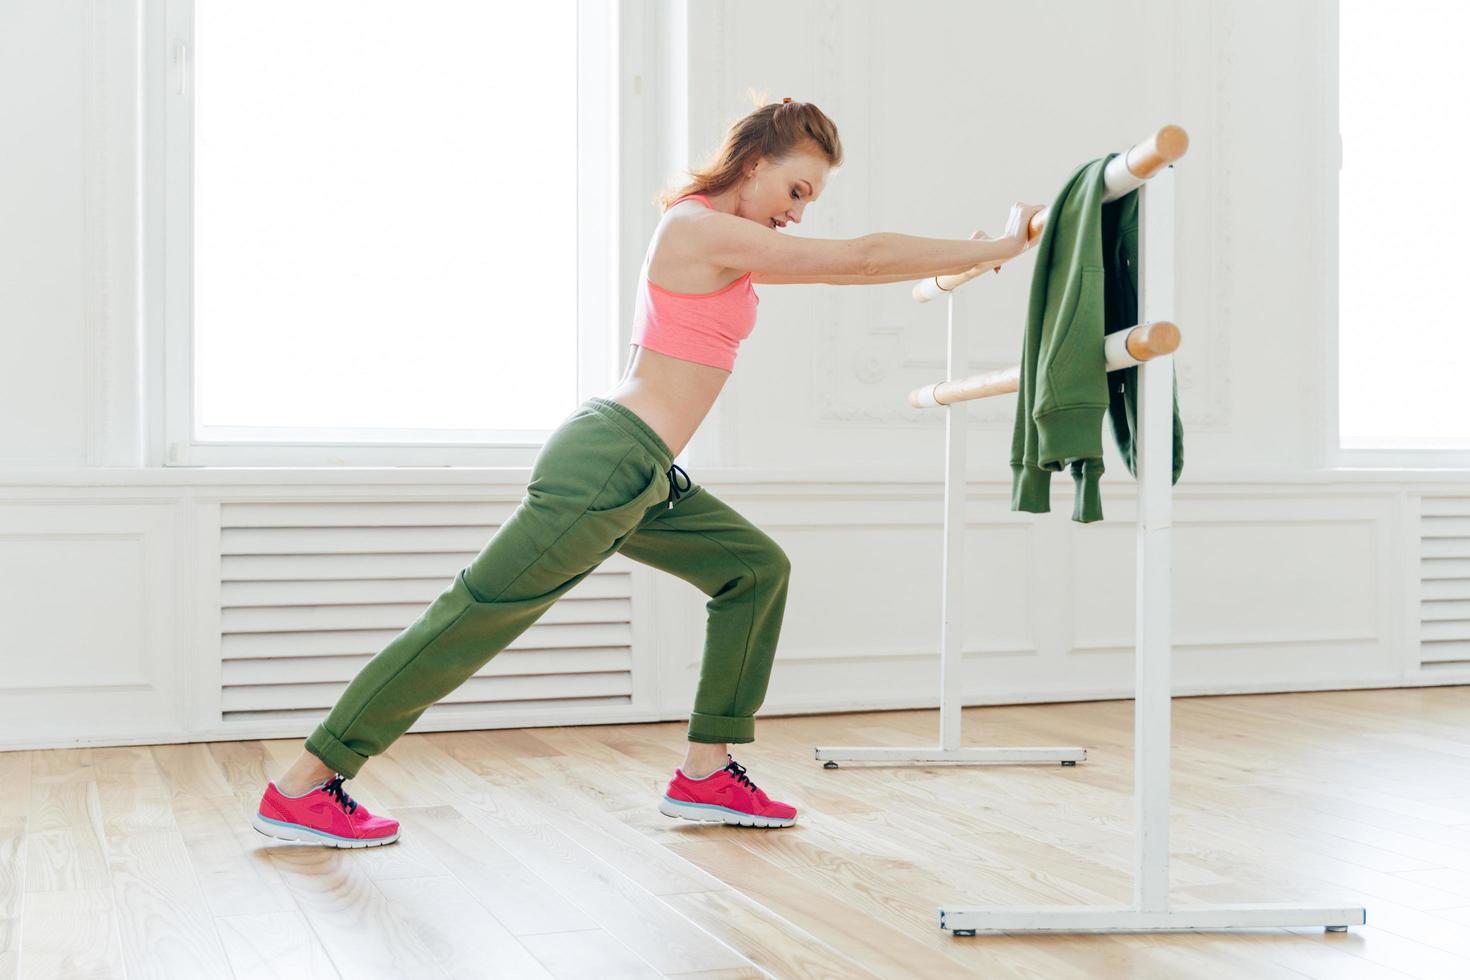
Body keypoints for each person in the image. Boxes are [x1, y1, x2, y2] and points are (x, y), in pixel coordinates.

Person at [252, 96, 1043, 846]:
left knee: (755, 571)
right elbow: (862, 260)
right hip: (610, 460)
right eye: (796, 189)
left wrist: (977, 251)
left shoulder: (719, 238)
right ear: (755, 160)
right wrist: (998, 247)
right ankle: (304, 785)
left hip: (644, 473)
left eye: (810, 201)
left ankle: (706, 772)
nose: (798, 212)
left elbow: (855, 257)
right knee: (473, 618)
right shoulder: (696, 229)